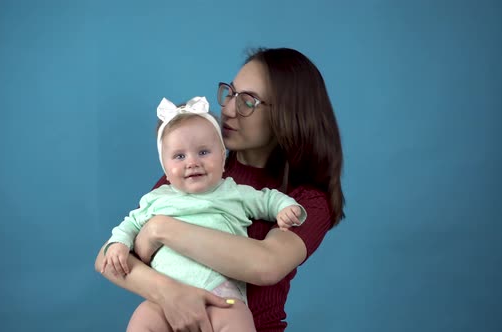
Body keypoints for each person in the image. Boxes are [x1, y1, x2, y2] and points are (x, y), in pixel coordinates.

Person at [94, 47, 345, 332]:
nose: (227, 109)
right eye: (230, 93)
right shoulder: (196, 175)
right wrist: (170, 293)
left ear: (288, 115)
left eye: (247, 101)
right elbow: (108, 258)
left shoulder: (304, 200)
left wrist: (159, 229)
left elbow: (266, 264)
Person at [101, 96, 307, 331]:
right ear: (165, 169)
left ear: (222, 158)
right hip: (166, 298)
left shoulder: (234, 191)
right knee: (142, 321)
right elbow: (131, 224)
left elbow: (268, 198)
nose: (192, 162)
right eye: (179, 156)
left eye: (203, 152)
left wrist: (285, 208)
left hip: (222, 294)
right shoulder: (157, 199)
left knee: (237, 320)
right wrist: (119, 243)